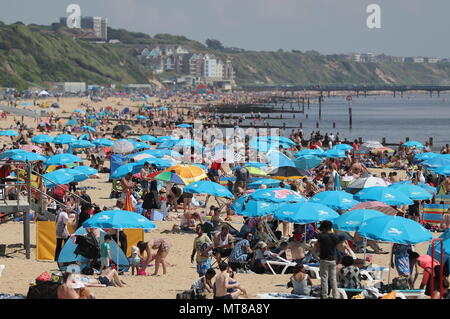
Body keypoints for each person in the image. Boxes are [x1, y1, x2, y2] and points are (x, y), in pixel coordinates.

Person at [315, 220, 339, 299]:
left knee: (324, 278)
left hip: (324, 259)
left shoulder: (322, 236)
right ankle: (335, 295)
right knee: (333, 279)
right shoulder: (335, 236)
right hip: (333, 259)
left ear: (324, 228)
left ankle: (325, 295)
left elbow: (317, 246)